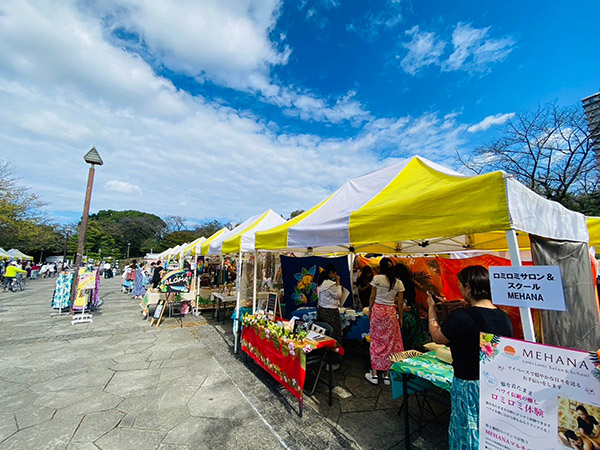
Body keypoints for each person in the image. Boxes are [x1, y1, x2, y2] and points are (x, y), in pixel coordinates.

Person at [427, 265, 513, 450]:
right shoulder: (503, 317)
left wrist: (431, 310)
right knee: (489, 434)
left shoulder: (463, 317)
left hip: (467, 385)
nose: (458, 288)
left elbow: (437, 337)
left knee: (466, 434)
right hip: (495, 384)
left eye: (460, 285)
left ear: (468, 288)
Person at [365, 257, 405, 385]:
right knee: (390, 343)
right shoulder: (398, 282)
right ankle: (387, 375)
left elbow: (372, 296)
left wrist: (370, 310)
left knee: (376, 342)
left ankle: (375, 374)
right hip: (391, 313)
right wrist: (401, 318)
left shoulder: (377, 279)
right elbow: (399, 303)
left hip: (377, 311)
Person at [316, 264, 343, 343]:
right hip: (331, 311)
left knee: (325, 333)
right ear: (331, 273)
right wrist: (338, 283)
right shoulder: (330, 284)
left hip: (322, 309)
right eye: (334, 273)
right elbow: (338, 295)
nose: (335, 276)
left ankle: (325, 349)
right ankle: (336, 350)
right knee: (334, 332)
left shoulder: (321, 282)